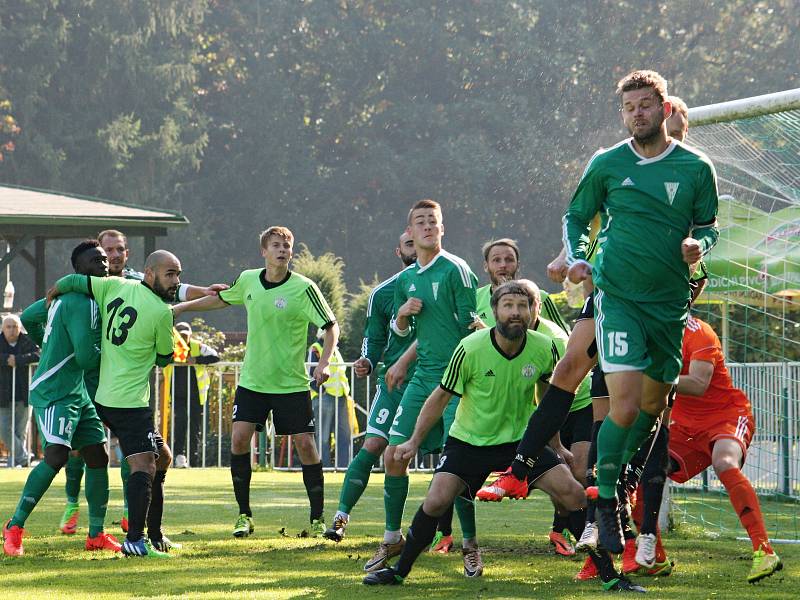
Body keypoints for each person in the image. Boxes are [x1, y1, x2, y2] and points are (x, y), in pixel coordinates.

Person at [364, 282, 643, 590]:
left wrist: (557, 445)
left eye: (523, 306)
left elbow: (547, 397)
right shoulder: (470, 347)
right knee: (436, 500)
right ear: (495, 310)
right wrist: (414, 440)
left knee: (574, 496)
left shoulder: (544, 347)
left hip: (521, 444)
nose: (515, 312)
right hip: (470, 442)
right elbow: (440, 397)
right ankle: (399, 573)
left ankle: (610, 578)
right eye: (508, 305)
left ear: (534, 311)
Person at [562, 70, 719, 553]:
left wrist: (700, 245)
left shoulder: (695, 167)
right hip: (619, 298)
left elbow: (710, 225)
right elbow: (575, 216)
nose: (637, 114)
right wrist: (578, 257)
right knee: (625, 405)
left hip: (670, 306)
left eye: (646, 105)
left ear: (665, 108)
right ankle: (605, 504)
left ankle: (621, 483)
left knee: (652, 408)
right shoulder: (607, 163)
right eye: (629, 107)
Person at [172, 226, 339, 538]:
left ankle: (317, 518)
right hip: (253, 382)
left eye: (287, 245)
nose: (282, 250)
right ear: (264, 251)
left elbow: (331, 327)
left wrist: (324, 363)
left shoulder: (304, 288)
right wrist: (179, 307)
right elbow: (220, 300)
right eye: (276, 245)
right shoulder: (248, 279)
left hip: (291, 384)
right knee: (238, 440)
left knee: (306, 445)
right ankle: (244, 516)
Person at [46, 250, 200, 557]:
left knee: (163, 458)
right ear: (149, 273)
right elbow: (165, 358)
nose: (176, 281)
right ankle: (134, 541)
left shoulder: (113, 286)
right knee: (143, 464)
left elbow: (74, 280)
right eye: (169, 274)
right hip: (129, 402)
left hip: (106, 397)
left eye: (178, 274)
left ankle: (154, 535)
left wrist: (54, 291)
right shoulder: (160, 311)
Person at [363, 199, 479, 576]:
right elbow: (403, 333)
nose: (428, 226)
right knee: (394, 456)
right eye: (420, 222)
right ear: (410, 233)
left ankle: (469, 544)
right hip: (424, 376)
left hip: (458, 377)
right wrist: (400, 315)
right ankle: (393, 536)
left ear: (442, 229)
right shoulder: (407, 279)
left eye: (434, 221)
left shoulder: (457, 271)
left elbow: (472, 327)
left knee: (454, 464)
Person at [3, 240, 121, 556]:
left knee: (97, 456)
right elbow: (85, 357)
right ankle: (14, 526)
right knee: (56, 456)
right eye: (95, 260)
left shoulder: (72, 297)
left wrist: (51, 343)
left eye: (105, 258)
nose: (104, 263)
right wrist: (116, 357)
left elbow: (28, 315)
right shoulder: (83, 302)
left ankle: (96, 534)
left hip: (76, 391)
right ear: (79, 269)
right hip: (54, 391)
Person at [667, 316, 782, 582]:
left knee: (725, 462)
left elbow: (698, 383)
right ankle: (651, 557)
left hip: (726, 415)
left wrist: (649, 378)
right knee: (647, 466)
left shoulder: (699, 332)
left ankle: (764, 551)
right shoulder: (645, 327)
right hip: (683, 425)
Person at [323, 232, 417, 543]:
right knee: (375, 446)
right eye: (408, 243)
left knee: (450, 454)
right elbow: (373, 339)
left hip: (435, 383)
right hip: (393, 383)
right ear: (399, 251)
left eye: (419, 241)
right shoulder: (383, 293)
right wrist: (367, 360)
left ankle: (447, 533)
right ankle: (341, 516)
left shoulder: (446, 283)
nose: (415, 247)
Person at [475, 238, 570, 334]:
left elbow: (564, 336)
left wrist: (487, 333)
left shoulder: (539, 297)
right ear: (486, 266)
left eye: (509, 260)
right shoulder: (475, 298)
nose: (503, 265)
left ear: (518, 265)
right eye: (496, 260)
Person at [162, 321, 220, 468]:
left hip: (196, 395)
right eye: (181, 336)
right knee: (180, 423)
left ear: (190, 335)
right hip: (177, 395)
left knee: (195, 427)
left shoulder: (197, 346)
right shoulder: (170, 347)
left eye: (186, 336)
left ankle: (194, 460)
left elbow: (215, 357)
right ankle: (179, 457)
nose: (183, 338)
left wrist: (196, 360)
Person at [0, 314, 39, 467]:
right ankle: (23, 458)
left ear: (20, 328)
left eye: (15, 326)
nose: (12, 330)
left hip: (24, 393)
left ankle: (14, 463)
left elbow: (39, 354)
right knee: (4, 428)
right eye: (8, 327)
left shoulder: (27, 340)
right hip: (3, 395)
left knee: (21, 431)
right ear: (3, 328)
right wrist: (6, 360)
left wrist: (19, 360)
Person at [308, 332, 351, 468]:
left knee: (344, 435)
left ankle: (344, 467)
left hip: (341, 396)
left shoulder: (335, 350)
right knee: (323, 437)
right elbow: (309, 373)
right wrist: (321, 391)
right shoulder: (315, 348)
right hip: (324, 397)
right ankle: (323, 467)